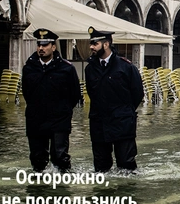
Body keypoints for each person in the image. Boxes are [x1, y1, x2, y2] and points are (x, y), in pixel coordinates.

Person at [85, 27, 144, 172]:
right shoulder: (90, 68)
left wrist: (124, 111)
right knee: (101, 168)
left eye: (95, 43)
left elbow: (138, 93)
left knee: (126, 165)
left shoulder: (126, 67)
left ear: (106, 44)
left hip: (122, 123)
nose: (91, 47)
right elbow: (92, 93)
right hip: (99, 123)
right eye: (91, 43)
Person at [22, 29, 81, 172]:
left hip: (59, 119)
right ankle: (39, 190)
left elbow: (75, 94)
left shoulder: (66, 69)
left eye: (45, 45)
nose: (41, 48)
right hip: (36, 119)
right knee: (37, 158)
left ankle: (61, 187)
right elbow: (26, 92)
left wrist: (64, 110)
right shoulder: (29, 68)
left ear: (53, 47)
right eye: (39, 45)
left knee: (60, 157)